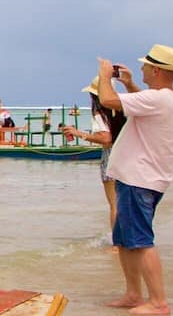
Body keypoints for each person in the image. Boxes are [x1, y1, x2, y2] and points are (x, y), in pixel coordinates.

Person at [96, 45, 173, 315]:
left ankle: (159, 302)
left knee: (141, 241)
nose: (143, 68)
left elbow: (108, 101)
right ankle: (134, 294)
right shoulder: (169, 97)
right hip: (138, 178)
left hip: (140, 179)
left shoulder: (159, 99)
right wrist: (130, 84)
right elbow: (141, 104)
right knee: (124, 241)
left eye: (146, 65)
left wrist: (103, 76)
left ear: (156, 70)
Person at [63, 76, 123, 249]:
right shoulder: (121, 110)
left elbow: (105, 138)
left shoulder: (100, 113)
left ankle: (117, 244)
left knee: (114, 205)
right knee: (125, 203)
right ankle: (129, 240)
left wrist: (79, 133)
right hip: (127, 155)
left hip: (111, 157)